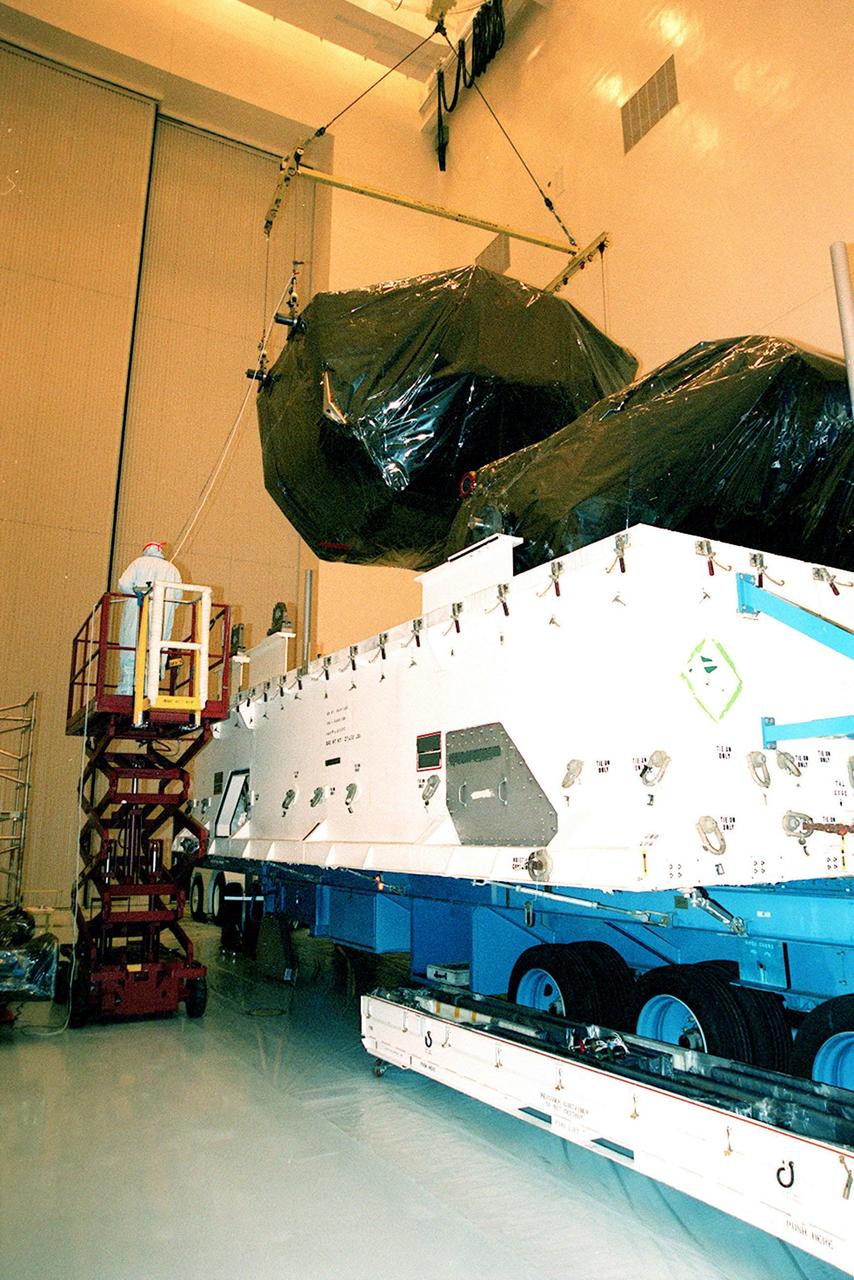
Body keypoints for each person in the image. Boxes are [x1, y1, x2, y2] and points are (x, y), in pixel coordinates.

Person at [116, 542, 182, 695]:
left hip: (137, 609)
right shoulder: (172, 569)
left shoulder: (138, 563)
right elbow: (178, 597)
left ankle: (128, 690)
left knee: (132, 644)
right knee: (157, 647)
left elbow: (124, 584)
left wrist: (136, 592)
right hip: (163, 614)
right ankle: (151, 690)